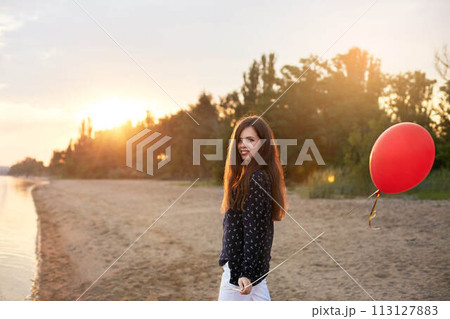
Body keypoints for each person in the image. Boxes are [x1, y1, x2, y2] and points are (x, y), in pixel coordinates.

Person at [218, 115, 287, 301]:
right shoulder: (246, 177)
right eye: (240, 140)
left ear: (263, 145)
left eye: (250, 140)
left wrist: (246, 273)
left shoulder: (256, 179)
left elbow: (255, 230)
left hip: (240, 275)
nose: (242, 145)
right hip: (242, 271)